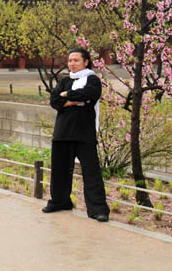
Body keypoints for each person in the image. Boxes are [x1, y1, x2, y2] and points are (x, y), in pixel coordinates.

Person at [41, 48, 110, 222]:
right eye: (70, 60)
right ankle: (60, 201)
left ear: (86, 62)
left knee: (91, 172)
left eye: (76, 60)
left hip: (84, 131)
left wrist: (67, 97)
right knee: (59, 169)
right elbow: (54, 101)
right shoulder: (64, 80)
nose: (71, 63)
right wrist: (74, 99)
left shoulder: (93, 79)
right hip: (63, 131)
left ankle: (98, 209)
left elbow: (90, 94)